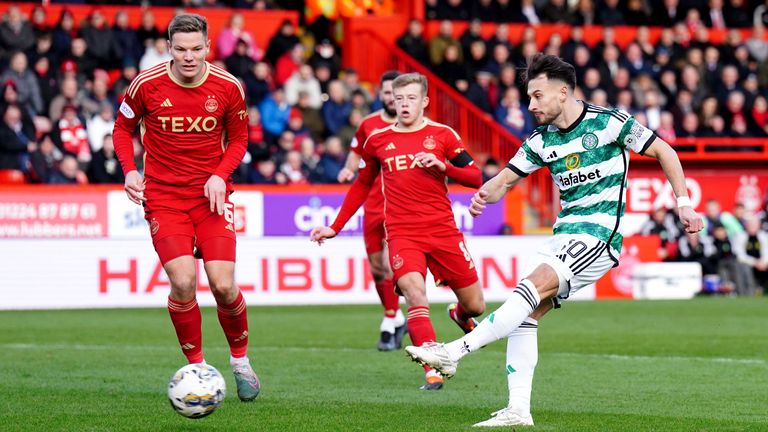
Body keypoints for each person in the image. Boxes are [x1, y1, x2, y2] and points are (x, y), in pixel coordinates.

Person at [405, 54, 704, 427]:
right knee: (526, 317)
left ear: (563, 92)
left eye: (537, 96)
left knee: (527, 289)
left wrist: (684, 203)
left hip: (599, 236)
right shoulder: (540, 141)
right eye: (529, 97)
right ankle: (518, 410)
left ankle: (453, 352)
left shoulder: (609, 123)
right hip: (563, 236)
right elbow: (506, 180)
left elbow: (665, 151)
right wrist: (484, 195)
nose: (531, 105)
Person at [112, 13, 260, 402]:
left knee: (224, 286)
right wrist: (129, 170)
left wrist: (220, 173)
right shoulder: (146, 84)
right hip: (164, 196)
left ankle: (241, 361)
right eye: (180, 49)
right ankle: (197, 366)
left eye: (196, 49)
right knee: (182, 281)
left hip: (212, 196)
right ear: (168, 48)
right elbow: (122, 129)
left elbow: (242, 138)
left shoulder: (229, 86)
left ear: (208, 47)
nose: (189, 57)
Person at [311, 73, 486, 391]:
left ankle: (460, 315)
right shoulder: (377, 140)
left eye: (410, 98)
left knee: (476, 306)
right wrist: (335, 226)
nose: (403, 104)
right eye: (398, 98)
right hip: (403, 233)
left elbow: (475, 177)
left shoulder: (442, 135)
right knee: (415, 294)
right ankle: (432, 367)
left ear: (424, 102)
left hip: (443, 231)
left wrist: (443, 166)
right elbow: (362, 184)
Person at [336, 71, 406, 351]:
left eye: (397, 93)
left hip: (400, 207)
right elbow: (356, 153)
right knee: (378, 270)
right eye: (387, 92)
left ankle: (397, 319)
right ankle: (394, 317)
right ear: (380, 94)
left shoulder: (415, 126)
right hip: (373, 205)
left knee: (392, 265)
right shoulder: (369, 125)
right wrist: (348, 168)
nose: (392, 98)